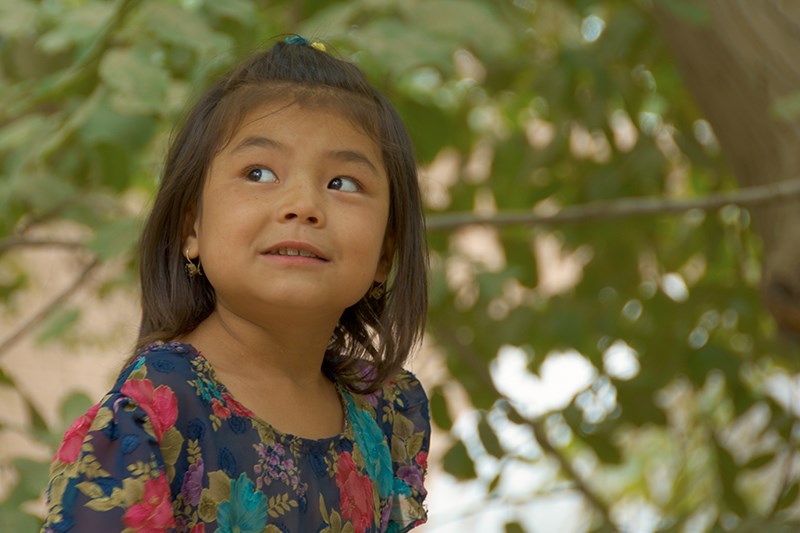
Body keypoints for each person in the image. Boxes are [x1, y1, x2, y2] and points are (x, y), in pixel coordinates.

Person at [41, 35, 430, 533]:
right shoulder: (152, 418)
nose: (303, 204)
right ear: (191, 228)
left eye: (343, 183)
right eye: (259, 172)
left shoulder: (390, 412)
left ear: (386, 253)